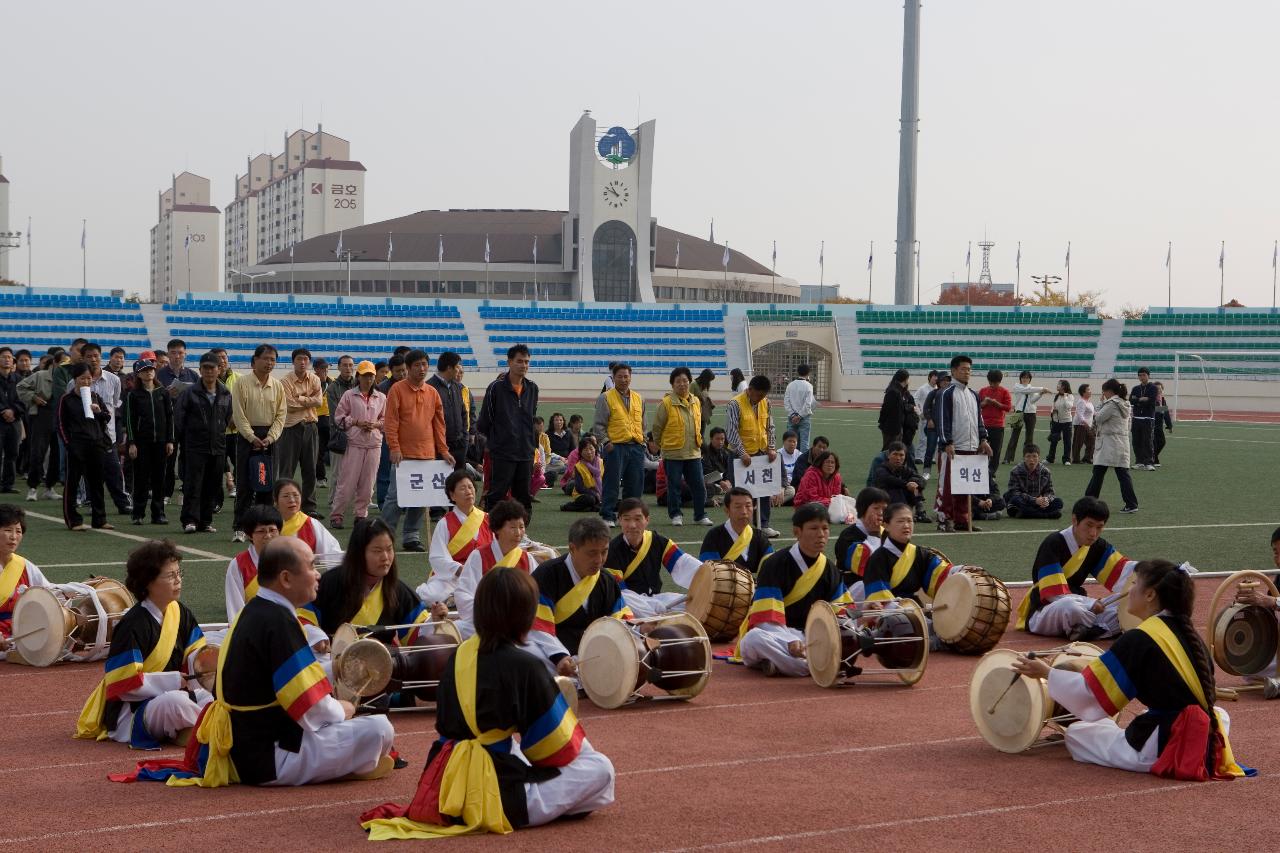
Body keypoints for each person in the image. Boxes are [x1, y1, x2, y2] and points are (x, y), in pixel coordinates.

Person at [359, 567, 615, 839]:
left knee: (510, 746)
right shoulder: (526, 666)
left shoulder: (458, 655)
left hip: (445, 784)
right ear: (525, 616)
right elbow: (556, 751)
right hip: (497, 793)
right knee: (599, 769)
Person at [172, 536, 395, 787]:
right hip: (271, 757)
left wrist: (335, 669)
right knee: (379, 729)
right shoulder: (279, 622)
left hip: (244, 748)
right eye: (311, 566)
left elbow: (284, 680)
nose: (318, 575)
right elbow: (312, 710)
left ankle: (345, 762)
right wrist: (345, 709)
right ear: (286, 578)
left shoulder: (255, 610)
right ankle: (346, 765)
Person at [1012, 560, 1251, 780]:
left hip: (1166, 742)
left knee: (1077, 734)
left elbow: (1090, 695)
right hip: (1206, 734)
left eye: (1135, 583)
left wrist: (1046, 672)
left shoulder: (1141, 638)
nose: (1130, 589)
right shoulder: (1190, 635)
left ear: (1150, 594)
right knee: (1214, 712)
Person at [74, 540, 210, 748]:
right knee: (175, 703)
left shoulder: (181, 613)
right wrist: (172, 680)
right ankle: (212, 730)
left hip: (174, 693)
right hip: (132, 710)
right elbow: (123, 686)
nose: (178, 580)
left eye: (179, 573)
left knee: (212, 697)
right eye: (170, 575)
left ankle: (197, 727)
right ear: (148, 582)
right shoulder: (132, 625)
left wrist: (209, 671)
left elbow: (196, 658)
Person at [735, 502, 851, 677]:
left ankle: (785, 664)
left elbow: (841, 615)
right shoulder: (774, 564)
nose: (821, 535)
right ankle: (813, 666)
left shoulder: (830, 570)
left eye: (825, 529)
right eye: (813, 528)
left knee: (845, 638)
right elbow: (765, 619)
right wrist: (789, 640)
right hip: (777, 635)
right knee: (753, 640)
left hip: (810, 639)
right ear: (797, 532)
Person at [1017, 496, 1136, 640]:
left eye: (1099, 527)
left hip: (1083, 607)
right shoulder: (1053, 543)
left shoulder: (1097, 546)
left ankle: (1087, 631)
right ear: (1074, 520)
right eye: (1089, 525)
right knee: (1070, 607)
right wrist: (1090, 603)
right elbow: (1053, 594)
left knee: (1131, 598)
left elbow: (1123, 572)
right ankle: (1100, 629)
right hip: (1047, 609)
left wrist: (1151, 571)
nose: (1093, 533)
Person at [531, 517, 631, 667]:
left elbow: (618, 620)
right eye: (592, 553)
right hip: (553, 654)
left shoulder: (607, 581)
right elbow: (538, 625)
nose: (599, 560)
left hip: (592, 655)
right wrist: (560, 657)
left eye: (604, 552)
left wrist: (639, 627)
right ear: (572, 548)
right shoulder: (547, 575)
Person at [381, 349, 453, 553]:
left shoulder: (432, 392)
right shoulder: (397, 389)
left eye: (424, 364)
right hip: (403, 455)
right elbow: (391, 421)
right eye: (417, 365)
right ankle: (384, 534)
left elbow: (439, 425)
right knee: (396, 497)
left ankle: (411, 536)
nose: (422, 369)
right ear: (408, 368)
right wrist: (394, 447)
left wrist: (443, 451)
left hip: (427, 454)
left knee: (420, 499)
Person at [309, 518, 429, 637]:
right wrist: (317, 638)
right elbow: (304, 618)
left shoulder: (398, 591)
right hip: (331, 655)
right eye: (377, 551)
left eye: (389, 549)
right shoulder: (330, 582)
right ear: (359, 553)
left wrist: (434, 620)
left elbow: (419, 632)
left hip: (383, 655)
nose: (385, 557)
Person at [452, 499, 538, 639]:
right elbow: (463, 594)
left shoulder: (527, 559)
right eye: (512, 527)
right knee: (457, 629)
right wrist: (491, 615)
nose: (518, 533)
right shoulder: (479, 556)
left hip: (517, 623)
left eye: (521, 527)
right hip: (486, 621)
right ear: (497, 528)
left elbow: (536, 595)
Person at [606, 497, 703, 618]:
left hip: (657, 599)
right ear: (619, 520)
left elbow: (684, 564)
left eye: (638, 519)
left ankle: (656, 615)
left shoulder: (657, 541)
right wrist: (652, 605)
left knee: (692, 602)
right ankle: (656, 617)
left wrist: (708, 574)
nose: (632, 525)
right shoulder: (612, 550)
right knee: (623, 599)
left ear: (647, 520)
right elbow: (619, 592)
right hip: (632, 603)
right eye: (626, 519)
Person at [230, 344, 287, 539]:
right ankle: (240, 527)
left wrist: (270, 437)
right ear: (254, 360)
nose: (269, 363)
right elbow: (238, 415)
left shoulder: (278, 385)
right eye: (266, 358)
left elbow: (281, 416)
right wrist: (251, 437)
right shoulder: (242, 383)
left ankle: (265, 528)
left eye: (273, 359)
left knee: (268, 485)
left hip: (270, 438)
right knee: (245, 484)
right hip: (248, 438)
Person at [174, 352, 233, 534]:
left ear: (219, 369)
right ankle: (190, 520)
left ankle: (205, 521)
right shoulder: (189, 393)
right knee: (193, 485)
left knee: (212, 485)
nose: (209, 371)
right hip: (195, 447)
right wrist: (183, 442)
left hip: (217, 446)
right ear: (200, 370)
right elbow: (179, 419)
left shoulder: (225, 393)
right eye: (205, 368)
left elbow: (228, 418)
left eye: (212, 368)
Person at [477, 344, 538, 515]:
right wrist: (499, 440)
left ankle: (521, 533)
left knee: (523, 497)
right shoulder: (496, 388)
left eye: (527, 362)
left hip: (525, 452)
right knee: (496, 495)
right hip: (502, 452)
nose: (523, 365)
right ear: (509, 362)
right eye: (519, 361)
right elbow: (484, 421)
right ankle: (490, 534)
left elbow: (530, 418)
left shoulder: (532, 388)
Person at [418, 470, 492, 608]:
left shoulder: (487, 519)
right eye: (462, 488)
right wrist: (459, 569)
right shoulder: (445, 523)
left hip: (481, 574)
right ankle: (455, 597)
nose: (468, 491)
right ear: (452, 495)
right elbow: (437, 557)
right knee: (432, 596)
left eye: (470, 487)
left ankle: (456, 598)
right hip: (452, 577)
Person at [863, 503, 956, 611]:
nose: (906, 525)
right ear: (886, 526)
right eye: (900, 521)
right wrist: (907, 611)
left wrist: (962, 571)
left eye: (909, 521)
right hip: (890, 617)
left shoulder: (920, 553)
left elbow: (942, 575)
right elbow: (879, 600)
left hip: (916, 610)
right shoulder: (878, 559)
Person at [936, 355, 992, 532]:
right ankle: (944, 519)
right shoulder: (946, 393)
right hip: (953, 447)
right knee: (948, 486)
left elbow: (979, 419)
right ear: (953, 371)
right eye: (963, 369)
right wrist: (947, 442)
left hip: (971, 446)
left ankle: (962, 519)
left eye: (969, 369)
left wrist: (983, 439)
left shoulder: (974, 395)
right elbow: (942, 420)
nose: (967, 372)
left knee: (965, 486)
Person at [330, 360, 385, 529]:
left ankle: (361, 514)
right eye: (365, 375)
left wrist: (374, 425)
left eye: (371, 376)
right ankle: (337, 515)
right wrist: (356, 422)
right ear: (358, 376)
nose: (368, 379)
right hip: (354, 443)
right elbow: (338, 418)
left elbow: (386, 420)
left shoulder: (381, 397)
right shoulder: (349, 395)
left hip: (374, 444)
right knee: (347, 482)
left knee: (368, 484)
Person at [652, 366, 710, 526]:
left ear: (690, 382)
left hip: (693, 453)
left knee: (699, 486)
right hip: (673, 453)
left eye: (685, 380)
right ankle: (676, 515)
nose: (682, 384)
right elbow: (657, 428)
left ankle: (700, 515)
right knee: (674, 486)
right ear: (673, 385)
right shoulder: (666, 403)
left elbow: (698, 425)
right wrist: (662, 445)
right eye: (678, 381)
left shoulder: (696, 401)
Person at [59, 363, 113, 531]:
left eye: (89, 378)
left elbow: (107, 417)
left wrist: (98, 412)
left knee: (97, 483)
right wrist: (69, 445)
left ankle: (100, 519)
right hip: (77, 445)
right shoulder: (66, 399)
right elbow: (61, 424)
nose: (86, 381)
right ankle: (73, 520)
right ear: (75, 379)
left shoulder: (95, 396)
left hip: (96, 444)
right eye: (82, 378)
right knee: (72, 483)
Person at [591, 362, 646, 526]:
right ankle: (608, 515)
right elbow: (599, 425)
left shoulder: (639, 398)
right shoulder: (605, 397)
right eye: (620, 376)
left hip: (636, 446)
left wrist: (642, 442)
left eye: (626, 376)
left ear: (631, 377)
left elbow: (643, 423)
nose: (623, 379)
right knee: (612, 483)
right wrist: (606, 442)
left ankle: (631, 515)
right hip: (616, 447)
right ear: (613, 378)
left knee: (635, 485)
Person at [725, 374, 779, 537]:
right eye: (758, 395)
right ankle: (740, 528)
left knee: (764, 490)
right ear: (749, 390)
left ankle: (763, 524)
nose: (760, 399)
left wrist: (771, 447)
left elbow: (770, 427)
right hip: (740, 456)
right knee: (740, 494)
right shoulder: (735, 404)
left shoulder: (766, 403)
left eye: (763, 395)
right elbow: (731, 431)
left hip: (761, 453)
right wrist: (742, 453)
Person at [124, 357, 174, 526]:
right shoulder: (133, 394)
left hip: (160, 442)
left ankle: (158, 513)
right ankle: (138, 513)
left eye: (151, 369)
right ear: (138, 374)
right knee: (141, 478)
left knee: (160, 478)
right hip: (141, 443)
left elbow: (169, 418)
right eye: (145, 370)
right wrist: (131, 442)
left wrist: (170, 440)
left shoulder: (163, 392)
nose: (149, 372)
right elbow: (129, 420)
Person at [277, 348, 323, 516]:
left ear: (309, 362)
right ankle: (283, 505)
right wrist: (308, 400)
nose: (302, 362)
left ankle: (309, 507)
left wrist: (301, 399)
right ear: (293, 361)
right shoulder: (285, 381)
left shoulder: (316, 379)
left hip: (310, 427)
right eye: (299, 359)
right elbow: (288, 404)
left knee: (310, 469)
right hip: (290, 428)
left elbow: (318, 402)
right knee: (286, 470)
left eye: (305, 359)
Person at [0, 505, 49, 658]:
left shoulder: (25, 566)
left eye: (18, 531)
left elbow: (49, 593)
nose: (14, 536)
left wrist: (81, 587)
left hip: (19, 636)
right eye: (8, 530)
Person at [1084, 379, 1139, 514]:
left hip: (1108, 442)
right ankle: (1131, 503)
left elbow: (1098, 418)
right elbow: (1129, 424)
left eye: (1104, 391)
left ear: (1109, 391)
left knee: (1098, 472)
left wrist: (1100, 404)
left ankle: (1089, 501)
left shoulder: (1112, 404)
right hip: (1121, 440)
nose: (1103, 394)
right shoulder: (1125, 403)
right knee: (1122, 473)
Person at [224, 505, 282, 620]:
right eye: (261, 531)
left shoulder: (291, 560)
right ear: (250, 535)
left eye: (272, 530)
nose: (268, 536)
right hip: (252, 628)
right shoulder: (239, 565)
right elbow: (235, 610)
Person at [274, 478, 343, 575]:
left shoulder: (311, 524)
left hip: (304, 582)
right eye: (286, 496)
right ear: (276, 501)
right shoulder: (268, 526)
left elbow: (332, 554)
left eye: (296, 495)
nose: (292, 500)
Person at [699, 486, 773, 574]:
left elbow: (772, 567)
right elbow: (709, 571)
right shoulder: (714, 536)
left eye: (748, 506)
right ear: (727, 511)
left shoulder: (759, 536)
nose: (744, 511)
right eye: (738, 507)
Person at [17, 353, 61, 501]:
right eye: (62, 363)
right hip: (41, 416)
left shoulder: (68, 377)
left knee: (57, 455)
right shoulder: (41, 375)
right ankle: (33, 487)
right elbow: (21, 386)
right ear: (54, 363)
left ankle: (49, 487)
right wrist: (34, 398)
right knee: (37, 453)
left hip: (60, 418)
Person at [832, 487, 888, 598]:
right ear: (863, 509)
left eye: (884, 509)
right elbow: (867, 567)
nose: (881, 513)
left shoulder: (886, 533)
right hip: (853, 589)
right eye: (876, 508)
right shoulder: (848, 537)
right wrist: (874, 534)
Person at [324, 355, 358, 513]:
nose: (348, 368)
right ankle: (333, 500)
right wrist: (356, 420)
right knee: (337, 472)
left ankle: (358, 500)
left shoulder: (359, 384)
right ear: (338, 367)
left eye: (350, 365)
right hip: (339, 435)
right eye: (344, 365)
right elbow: (336, 415)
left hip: (358, 435)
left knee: (358, 470)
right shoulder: (332, 388)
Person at [428, 351, 468, 473]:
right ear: (449, 368)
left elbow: (463, 413)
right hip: (439, 447)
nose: (459, 370)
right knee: (441, 486)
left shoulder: (457, 387)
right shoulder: (430, 387)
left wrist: (464, 437)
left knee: (459, 483)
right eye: (457, 367)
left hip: (459, 445)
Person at [1003, 444, 1064, 519]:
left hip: (1039, 503)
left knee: (1058, 502)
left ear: (1039, 458)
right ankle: (1046, 515)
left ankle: (1027, 513)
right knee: (1015, 500)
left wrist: (1046, 500)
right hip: (1025, 501)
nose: (1031, 459)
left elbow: (1050, 492)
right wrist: (1034, 500)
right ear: (1024, 458)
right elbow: (1014, 492)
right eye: (1028, 456)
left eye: (1034, 456)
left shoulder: (1045, 471)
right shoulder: (1015, 471)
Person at [794, 450, 854, 523]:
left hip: (827, 505)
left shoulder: (837, 477)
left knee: (849, 504)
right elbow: (811, 498)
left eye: (832, 462)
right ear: (821, 463)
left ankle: (844, 516)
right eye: (827, 462)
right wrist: (833, 502)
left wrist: (836, 502)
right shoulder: (811, 475)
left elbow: (835, 497)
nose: (830, 465)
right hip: (806, 506)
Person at [874, 442, 928, 522]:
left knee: (915, 486)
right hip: (885, 501)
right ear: (889, 455)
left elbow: (922, 480)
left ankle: (920, 512)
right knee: (896, 489)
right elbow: (889, 480)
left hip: (902, 500)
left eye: (901, 455)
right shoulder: (881, 469)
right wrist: (907, 484)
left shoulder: (905, 469)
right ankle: (899, 514)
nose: (898, 458)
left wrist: (913, 484)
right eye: (895, 454)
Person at [1003, 371, 1049, 464]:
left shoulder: (1031, 388)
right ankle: (1008, 458)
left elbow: (1032, 401)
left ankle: (1027, 458)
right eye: (1023, 377)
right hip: (1018, 412)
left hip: (1031, 412)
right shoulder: (1017, 386)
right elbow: (1027, 390)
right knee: (1014, 436)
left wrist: (1040, 394)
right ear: (1020, 378)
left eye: (1027, 378)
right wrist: (1042, 388)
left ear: (1030, 379)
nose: (1025, 379)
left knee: (1029, 438)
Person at [978, 369, 1011, 484]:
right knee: (981, 450)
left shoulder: (1005, 392)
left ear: (999, 381)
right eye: (991, 382)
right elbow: (977, 406)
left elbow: (1008, 407)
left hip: (998, 426)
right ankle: (981, 470)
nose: (992, 385)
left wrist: (997, 404)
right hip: (983, 425)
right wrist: (985, 403)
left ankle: (991, 473)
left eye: (995, 383)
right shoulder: (982, 391)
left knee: (995, 451)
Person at [0, 348, 25, 494]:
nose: (7, 359)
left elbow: (24, 399)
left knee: (12, 453)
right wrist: (3, 410)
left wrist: (13, 411)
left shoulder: (19, 380)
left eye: (9, 357)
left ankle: (8, 484)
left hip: (14, 421)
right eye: (3, 357)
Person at [920, 373, 950, 479]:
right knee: (930, 449)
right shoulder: (933, 393)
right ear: (938, 382)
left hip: (946, 427)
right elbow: (926, 408)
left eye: (947, 380)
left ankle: (944, 472)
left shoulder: (951, 394)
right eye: (943, 380)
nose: (946, 382)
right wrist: (929, 419)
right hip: (933, 427)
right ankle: (926, 471)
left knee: (946, 450)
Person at [560, 437, 602, 513]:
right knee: (591, 499)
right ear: (581, 452)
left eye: (591, 449)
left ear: (595, 449)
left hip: (601, 493)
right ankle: (568, 506)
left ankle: (591, 508)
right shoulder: (579, 466)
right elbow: (580, 488)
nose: (589, 452)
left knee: (617, 501)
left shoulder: (602, 462)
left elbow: (608, 482)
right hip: (584, 494)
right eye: (586, 449)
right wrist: (595, 494)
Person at [783, 364, 817, 451]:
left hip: (791, 417)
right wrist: (799, 416)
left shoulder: (790, 385)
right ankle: (802, 463)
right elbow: (808, 404)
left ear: (797, 372)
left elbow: (786, 402)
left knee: (790, 441)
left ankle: (790, 461)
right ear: (808, 373)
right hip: (804, 417)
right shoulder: (809, 386)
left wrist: (793, 415)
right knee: (804, 443)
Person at [1129, 367, 1158, 471]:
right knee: (1136, 441)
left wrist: (1139, 400)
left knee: (1147, 440)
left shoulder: (1153, 388)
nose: (1142, 377)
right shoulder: (1135, 388)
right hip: (1136, 418)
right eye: (1140, 375)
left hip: (1148, 418)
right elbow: (1131, 401)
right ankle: (1139, 462)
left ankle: (1149, 462)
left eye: (1144, 375)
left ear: (1148, 376)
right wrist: (1142, 399)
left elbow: (1151, 401)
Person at [877, 369, 912, 450]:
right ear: (905, 379)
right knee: (888, 450)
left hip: (895, 427)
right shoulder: (894, 391)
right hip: (892, 428)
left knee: (893, 450)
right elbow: (886, 409)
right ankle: (882, 463)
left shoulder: (899, 391)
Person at [701, 426, 733, 505]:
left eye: (722, 439)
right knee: (710, 487)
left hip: (723, 481)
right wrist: (721, 482)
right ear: (711, 439)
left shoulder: (726, 451)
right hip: (710, 481)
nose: (720, 442)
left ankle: (722, 491)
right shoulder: (705, 452)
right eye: (717, 439)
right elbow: (708, 471)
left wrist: (728, 480)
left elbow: (729, 468)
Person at [912, 370, 938, 465]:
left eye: (937, 377)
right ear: (929, 378)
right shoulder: (923, 388)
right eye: (934, 377)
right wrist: (920, 412)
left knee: (935, 438)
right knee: (923, 438)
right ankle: (919, 457)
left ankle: (931, 457)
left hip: (935, 417)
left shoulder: (938, 389)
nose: (935, 379)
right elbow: (915, 399)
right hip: (925, 417)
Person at [1072, 383, 1096, 464]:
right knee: (1078, 443)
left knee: (1092, 441)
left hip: (1088, 425)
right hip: (1080, 425)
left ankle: (1087, 458)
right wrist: (1085, 423)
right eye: (1088, 390)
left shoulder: (1089, 402)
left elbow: (1093, 413)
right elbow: (1080, 414)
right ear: (1083, 392)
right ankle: (1076, 459)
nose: (1090, 391)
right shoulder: (1081, 402)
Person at [1153, 382, 1173, 467]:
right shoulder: (1151, 399)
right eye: (1157, 388)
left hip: (1159, 425)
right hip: (1151, 425)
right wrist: (1161, 409)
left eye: (1160, 388)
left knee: (1162, 442)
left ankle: (1153, 457)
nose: (1159, 390)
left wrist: (1169, 426)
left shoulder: (1163, 399)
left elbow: (1166, 413)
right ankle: (1154, 459)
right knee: (1154, 443)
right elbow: (1152, 410)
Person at [692, 368, 716, 436]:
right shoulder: (693, 384)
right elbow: (688, 398)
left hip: (704, 413)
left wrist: (708, 400)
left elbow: (705, 395)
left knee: (701, 434)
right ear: (705, 378)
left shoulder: (705, 384)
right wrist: (698, 399)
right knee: (696, 434)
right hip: (695, 413)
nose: (709, 382)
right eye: (709, 380)